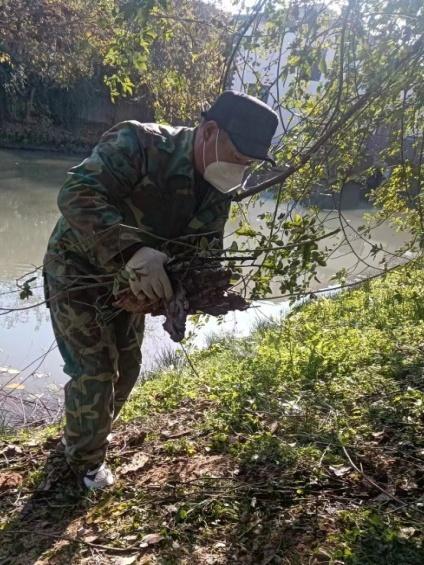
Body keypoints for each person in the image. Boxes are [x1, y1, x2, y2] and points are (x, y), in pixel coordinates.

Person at [43, 90, 278, 489]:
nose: (239, 171)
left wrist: (194, 291)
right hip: (77, 270)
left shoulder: (217, 191)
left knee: (128, 366)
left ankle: (85, 431)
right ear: (209, 132)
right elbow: (76, 193)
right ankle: (83, 465)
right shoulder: (140, 142)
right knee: (95, 371)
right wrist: (131, 248)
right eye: (237, 158)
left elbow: (201, 251)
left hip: (136, 285)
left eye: (248, 165)